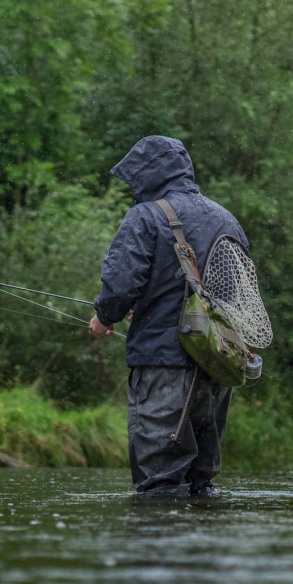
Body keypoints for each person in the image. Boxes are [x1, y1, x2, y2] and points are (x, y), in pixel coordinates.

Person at [88, 135, 250, 496]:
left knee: (159, 482)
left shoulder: (145, 217)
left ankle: (161, 552)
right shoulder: (227, 219)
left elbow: (119, 286)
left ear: (149, 174)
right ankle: (199, 550)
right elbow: (235, 294)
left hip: (164, 365)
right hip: (217, 365)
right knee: (199, 483)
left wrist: (105, 317)